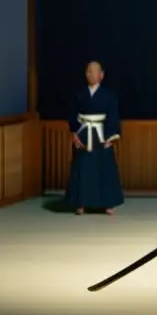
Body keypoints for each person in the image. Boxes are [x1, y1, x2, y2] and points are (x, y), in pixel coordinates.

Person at [65, 60, 124, 215]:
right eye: (88, 71)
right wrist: (74, 133)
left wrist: (110, 137)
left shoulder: (109, 96)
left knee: (104, 168)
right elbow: (72, 115)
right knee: (82, 167)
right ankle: (80, 203)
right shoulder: (79, 94)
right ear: (86, 74)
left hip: (101, 134)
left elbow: (113, 116)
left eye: (94, 71)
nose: (91, 74)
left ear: (101, 75)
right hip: (83, 133)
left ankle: (107, 204)